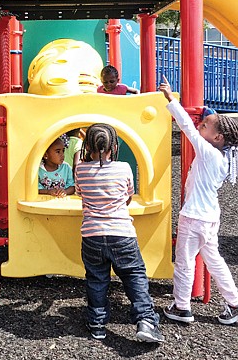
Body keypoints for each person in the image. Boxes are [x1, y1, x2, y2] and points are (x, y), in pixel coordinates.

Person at [159, 76, 238, 325]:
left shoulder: (208, 153)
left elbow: (187, 128)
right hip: (209, 217)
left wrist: (171, 100)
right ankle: (234, 303)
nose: (200, 126)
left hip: (193, 217)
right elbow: (201, 126)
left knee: (184, 263)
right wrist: (205, 115)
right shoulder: (223, 157)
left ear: (217, 138)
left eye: (205, 125)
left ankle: (182, 307)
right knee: (214, 261)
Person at [75, 123, 164, 343]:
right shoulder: (124, 167)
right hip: (122, 232)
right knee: (134, 275)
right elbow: (128, 196)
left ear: (88, 145)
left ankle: (97, 324)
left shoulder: (81, 170)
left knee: (97, 279)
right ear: (114, 145)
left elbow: (80, 193)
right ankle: (145, 321)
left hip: (92, 235)